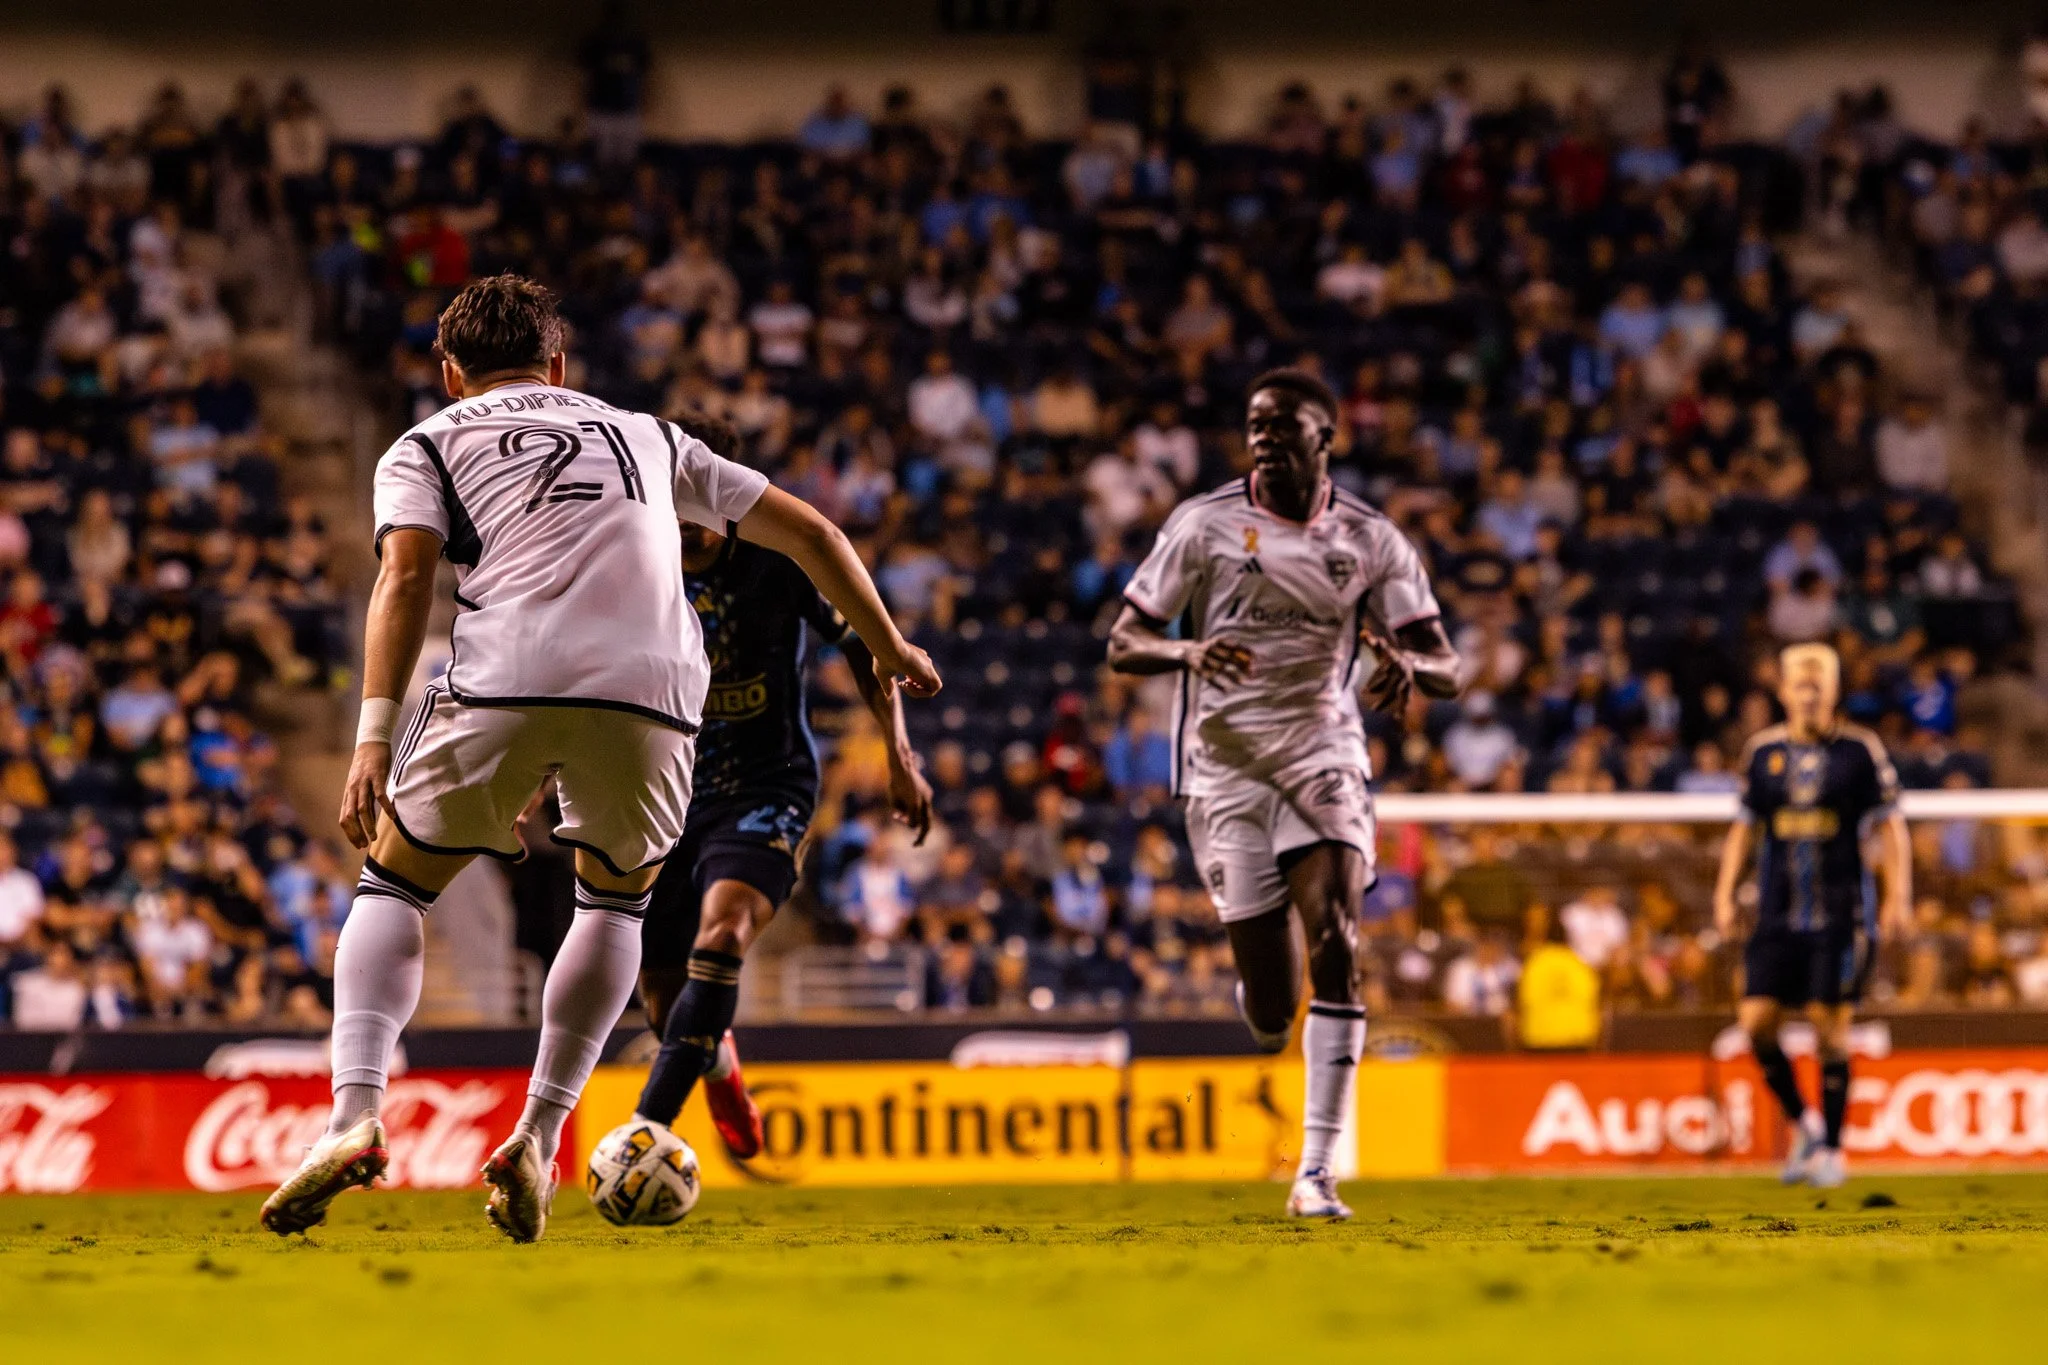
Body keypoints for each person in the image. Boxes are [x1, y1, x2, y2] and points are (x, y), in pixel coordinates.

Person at [260, 276, 939, 1243]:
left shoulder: (427, 443)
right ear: (560, 364)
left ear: (452, 374)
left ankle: (354, 1114)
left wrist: (373, 735)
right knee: (613, 902)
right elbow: (815, 533)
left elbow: (406, 574)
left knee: (395, 886)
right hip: (658, 693)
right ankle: (538, 1133)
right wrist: (894, 645)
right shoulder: (649, 435)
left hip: (504, 676)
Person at [1107, 369, 1460, 1219]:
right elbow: (1125, 641)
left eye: (1282, 426)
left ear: (1323, 439)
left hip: (1322, 754)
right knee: (1271, 1005)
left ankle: (1316, 1171)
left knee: (1338, 936)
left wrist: (1409, 666)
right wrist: (1190, 654)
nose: (1263, 437)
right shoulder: (1204, 523)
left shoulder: (1371, 540)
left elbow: (1447, 663)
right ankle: (1266, 1007)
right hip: (1223, 771)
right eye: (1255, 424)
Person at [629, 414, 932, 1159]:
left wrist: (898, 753)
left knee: (725, 933)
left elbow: (864, 646)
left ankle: (644, 1128)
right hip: (664, 787)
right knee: (666, 995)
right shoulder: (636, 566)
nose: (691, 522)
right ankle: (717, 1059)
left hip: (768, 782)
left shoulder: (777, 558)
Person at [1713, 643, 1909, 1190]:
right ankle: (1804, 1124)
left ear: (1834, 690)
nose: (1809, 689)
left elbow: (1891, 825)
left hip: (1841, 915)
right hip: (1776, 915)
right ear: (1781, 690)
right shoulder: (1762, 753)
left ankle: (1832, 1150)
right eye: (1799, 679)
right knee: (1755, 1024)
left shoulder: (1859, 751)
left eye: (1819, 680)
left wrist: (1898, 895)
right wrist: (1726, 892)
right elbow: (1744, 828)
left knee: (1829, 1029)